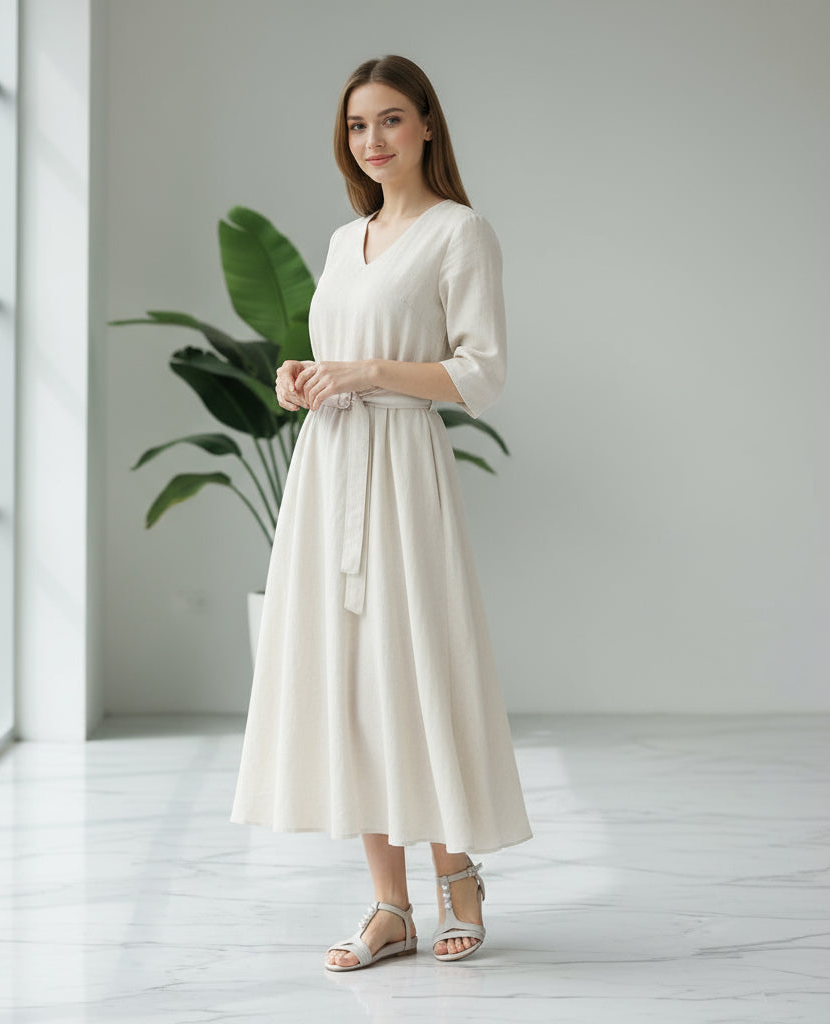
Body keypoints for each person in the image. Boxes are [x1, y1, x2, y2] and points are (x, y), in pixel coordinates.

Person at [230, 54, 533, 971]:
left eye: (392, 121)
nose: (374, 142)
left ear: (428, 126)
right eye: (360, 127)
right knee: (348, 677)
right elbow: (335, 349)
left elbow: (481, 372)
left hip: (403, 470)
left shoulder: (460, 233)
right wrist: (302, 377)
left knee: (417, 665)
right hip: (330, 468)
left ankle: (459, 880)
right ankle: (388, 905)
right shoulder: (341, 239)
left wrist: (365, 373)